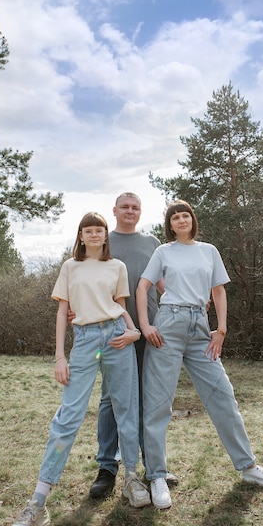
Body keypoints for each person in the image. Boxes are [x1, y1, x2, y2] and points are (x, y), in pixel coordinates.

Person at [136, 200, 263, 509]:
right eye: (175, 217)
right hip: (168, 325)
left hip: (201, 329)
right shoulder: (163, 252)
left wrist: (221, 329)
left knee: (223, 395)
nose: (180, 220)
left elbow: (218, 291)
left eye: (185, 215)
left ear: (193, 220)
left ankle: (248, 467)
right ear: (170, 224)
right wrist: (146, 324)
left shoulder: (209, 251)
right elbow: (143, 286)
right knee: (159, 403)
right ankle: (157, 475)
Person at [10, 212, 150, 526]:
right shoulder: (70, 267)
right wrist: (60, 357)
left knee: (126, 408)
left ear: (105, 235)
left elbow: (121, 307)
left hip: (117, 338)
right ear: (81, 235)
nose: (95, 235)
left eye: (100, 230)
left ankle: (131, 478)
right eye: (89, 230)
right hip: (86, 341)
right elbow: (62, 312)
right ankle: (38, 501)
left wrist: (134, 332)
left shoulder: (117, 266)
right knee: (68, 416)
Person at [69, 192, 178, 499]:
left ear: (141, 213)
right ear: (114, 210)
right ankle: (107, 467)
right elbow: (80, 280)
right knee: (110, 400)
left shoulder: (152, 243)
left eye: (136, 207)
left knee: (150, 399)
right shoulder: (103, 240)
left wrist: (188, 297)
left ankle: (154, 467)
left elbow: (163, 284)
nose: (130, 211)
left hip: (149, 332)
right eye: (125, 207)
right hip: (110, 336)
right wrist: (74, 309)